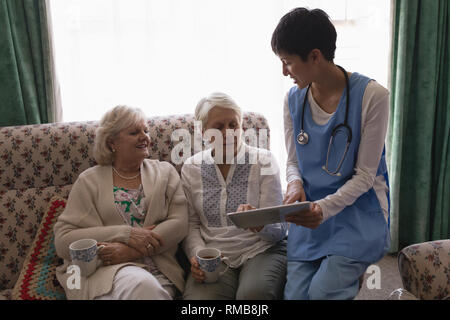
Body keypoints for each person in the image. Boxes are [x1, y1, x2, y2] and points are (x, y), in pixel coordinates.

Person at [271, 8, 390, 300]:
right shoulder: (292, 99)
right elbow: (293, 161)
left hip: (358, 213)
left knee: (322, 293)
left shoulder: (373, 97)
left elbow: (365, 176)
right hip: (310, 215)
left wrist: (323, 209)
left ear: (314, 56)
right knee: (297, 297)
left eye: (287, 62)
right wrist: (295, 184)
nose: (284, 72)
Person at [54, 105, 188, 300]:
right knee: (142, 285)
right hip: (105, 272)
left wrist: (129, 251)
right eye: (134, 132)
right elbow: (63, 241)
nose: (144, 136)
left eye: (146, 130)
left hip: (159, 273)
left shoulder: (165, 172)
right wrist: (125, 234)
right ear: (111, 142)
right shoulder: (88, 181)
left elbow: (180, 223)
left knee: (146, 288)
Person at [181, 92, 287, 300]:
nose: (228, 133)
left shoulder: (263, 161)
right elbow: (191, 225)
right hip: (214, 255)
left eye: (233, 125)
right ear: (203, 131)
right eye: (219, 126)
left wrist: (259, 221)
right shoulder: (191, 168)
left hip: (261, 249)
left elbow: (279, 230)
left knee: (253, 296)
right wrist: (197, 256)